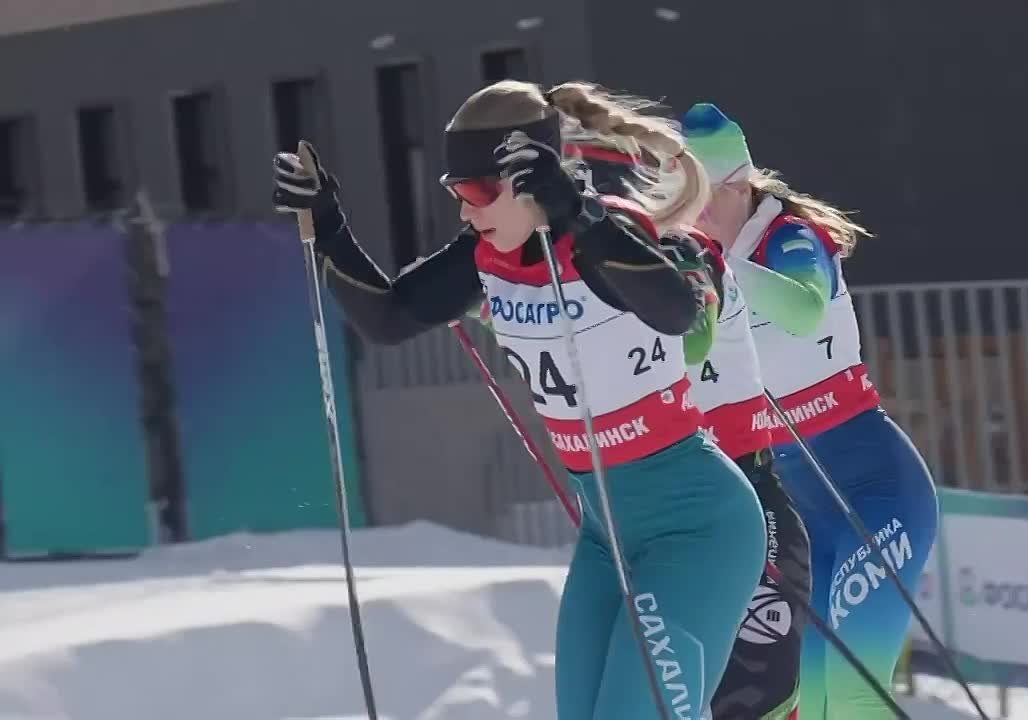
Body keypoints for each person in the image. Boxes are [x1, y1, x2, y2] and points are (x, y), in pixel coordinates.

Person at [271, 80, 767, 720]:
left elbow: (675, 312)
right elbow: (389, 318)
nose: (465, 211)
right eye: (456, 192)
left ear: (530, 181)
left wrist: (577, 215)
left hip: (697, 528)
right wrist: (329, 227)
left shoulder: (605, 234)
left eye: (479, 192)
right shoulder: (486, 256)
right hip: (606, 538)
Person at [682, 102, 940, 720]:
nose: (691, 219)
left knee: (854, 696)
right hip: (801, 513)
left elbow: (802, 309)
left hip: (874, 495)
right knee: (806, 700)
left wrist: (715, 266)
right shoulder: (696, 269)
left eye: (701, 202)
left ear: (738, 187)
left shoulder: (789, 237)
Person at [568, 141, 811, 720]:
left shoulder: (689, 255)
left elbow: (693, 337)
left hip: (743, 510)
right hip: (653, 522)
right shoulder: (603, 280)